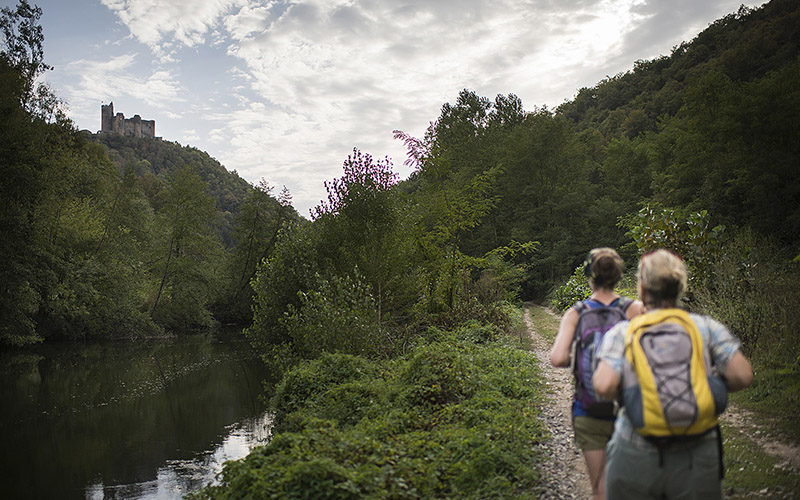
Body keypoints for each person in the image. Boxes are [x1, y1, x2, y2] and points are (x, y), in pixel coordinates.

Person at [593, 249, 754, 500]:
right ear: (680, 287)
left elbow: (603, 385)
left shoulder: (624, 332)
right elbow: (743, 376)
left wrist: (633, 391)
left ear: (642, 290)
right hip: (698, 453)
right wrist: (709, 385)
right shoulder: (705, 327)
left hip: (635, 449)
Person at [550, 247, 644, 500]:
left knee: (600, 486)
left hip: (588, 410)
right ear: (619, 276)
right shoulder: (634, 309)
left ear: (590, 275)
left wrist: (581, 356)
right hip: (629, 408)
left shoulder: (576, 313)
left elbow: (557, 358)